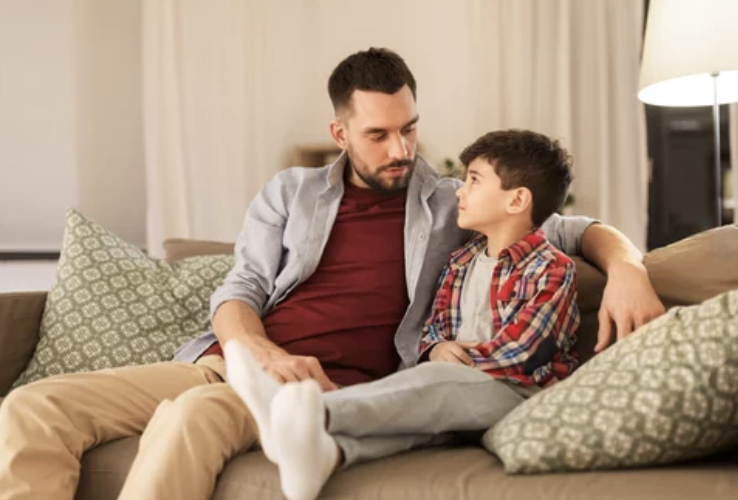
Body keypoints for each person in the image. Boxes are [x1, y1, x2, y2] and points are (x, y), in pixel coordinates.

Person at [0, 47, 664, 500]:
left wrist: (629, 265)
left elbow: (565, 228)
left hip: (325, 387)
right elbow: (240, 290)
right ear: (341, 131)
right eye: (379, 134)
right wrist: (254, 349)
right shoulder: (290, 193)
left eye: (410, 129)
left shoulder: (448, 204)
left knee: (192, 417)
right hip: (228, 363)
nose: (401, 148)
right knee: (36, 405)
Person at [225, 128, 582, 500]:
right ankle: (327, 455)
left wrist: (452, 363)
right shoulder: (461, 261)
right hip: (459, 394)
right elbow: (436, 326)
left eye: (474, 181)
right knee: (414, 427)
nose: (459, 191)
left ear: (517, 200)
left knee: (437, 386)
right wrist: (435, 349)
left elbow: (522, 353)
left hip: (520, 393)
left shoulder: (550, 269)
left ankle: (308, 411)